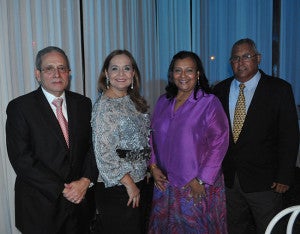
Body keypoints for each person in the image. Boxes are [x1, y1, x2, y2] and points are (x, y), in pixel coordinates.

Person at [6, 46, 98, 234]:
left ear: (69, 73)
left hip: (80, 206)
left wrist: (86, 180)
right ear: (38, 74)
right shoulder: (20, 107)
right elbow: (21, 159)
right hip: (40, 208)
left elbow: (94, 147)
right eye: (49, 68)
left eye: (62, 68)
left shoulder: (83, 104)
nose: (57, 74)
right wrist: (63, 190)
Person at [213, 38, 299, 234]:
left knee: (271, 228)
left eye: (246, 56)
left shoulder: (279, 89)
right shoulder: (219, 90)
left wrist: (285, 176)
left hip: (266, 182)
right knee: (234, 228)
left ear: (258, 58)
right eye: (235, 58)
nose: (240, 62)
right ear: (230, 63)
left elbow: (289, 136)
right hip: (229, 180)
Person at [148, 51, 229, 233]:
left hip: (194, 185)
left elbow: (220, 142)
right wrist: (153, 167)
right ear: (172, 74)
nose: (183, 76)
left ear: (198, 74)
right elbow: (151, 136)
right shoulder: (163, 101)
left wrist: (201, 179)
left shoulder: (209, 102)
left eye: (189, 70)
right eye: (178, 70)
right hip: (165, 184)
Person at [91, 49, 151, 234]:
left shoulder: (133, 100)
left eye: (126, 68)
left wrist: (147, 168)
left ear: (133, 73)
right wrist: (130, 184)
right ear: (106, 74)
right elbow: (104, 154)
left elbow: (143, 138)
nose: (121, 74)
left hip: (139, 181)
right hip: (118, 187)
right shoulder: (104, 107)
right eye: (115, 68)